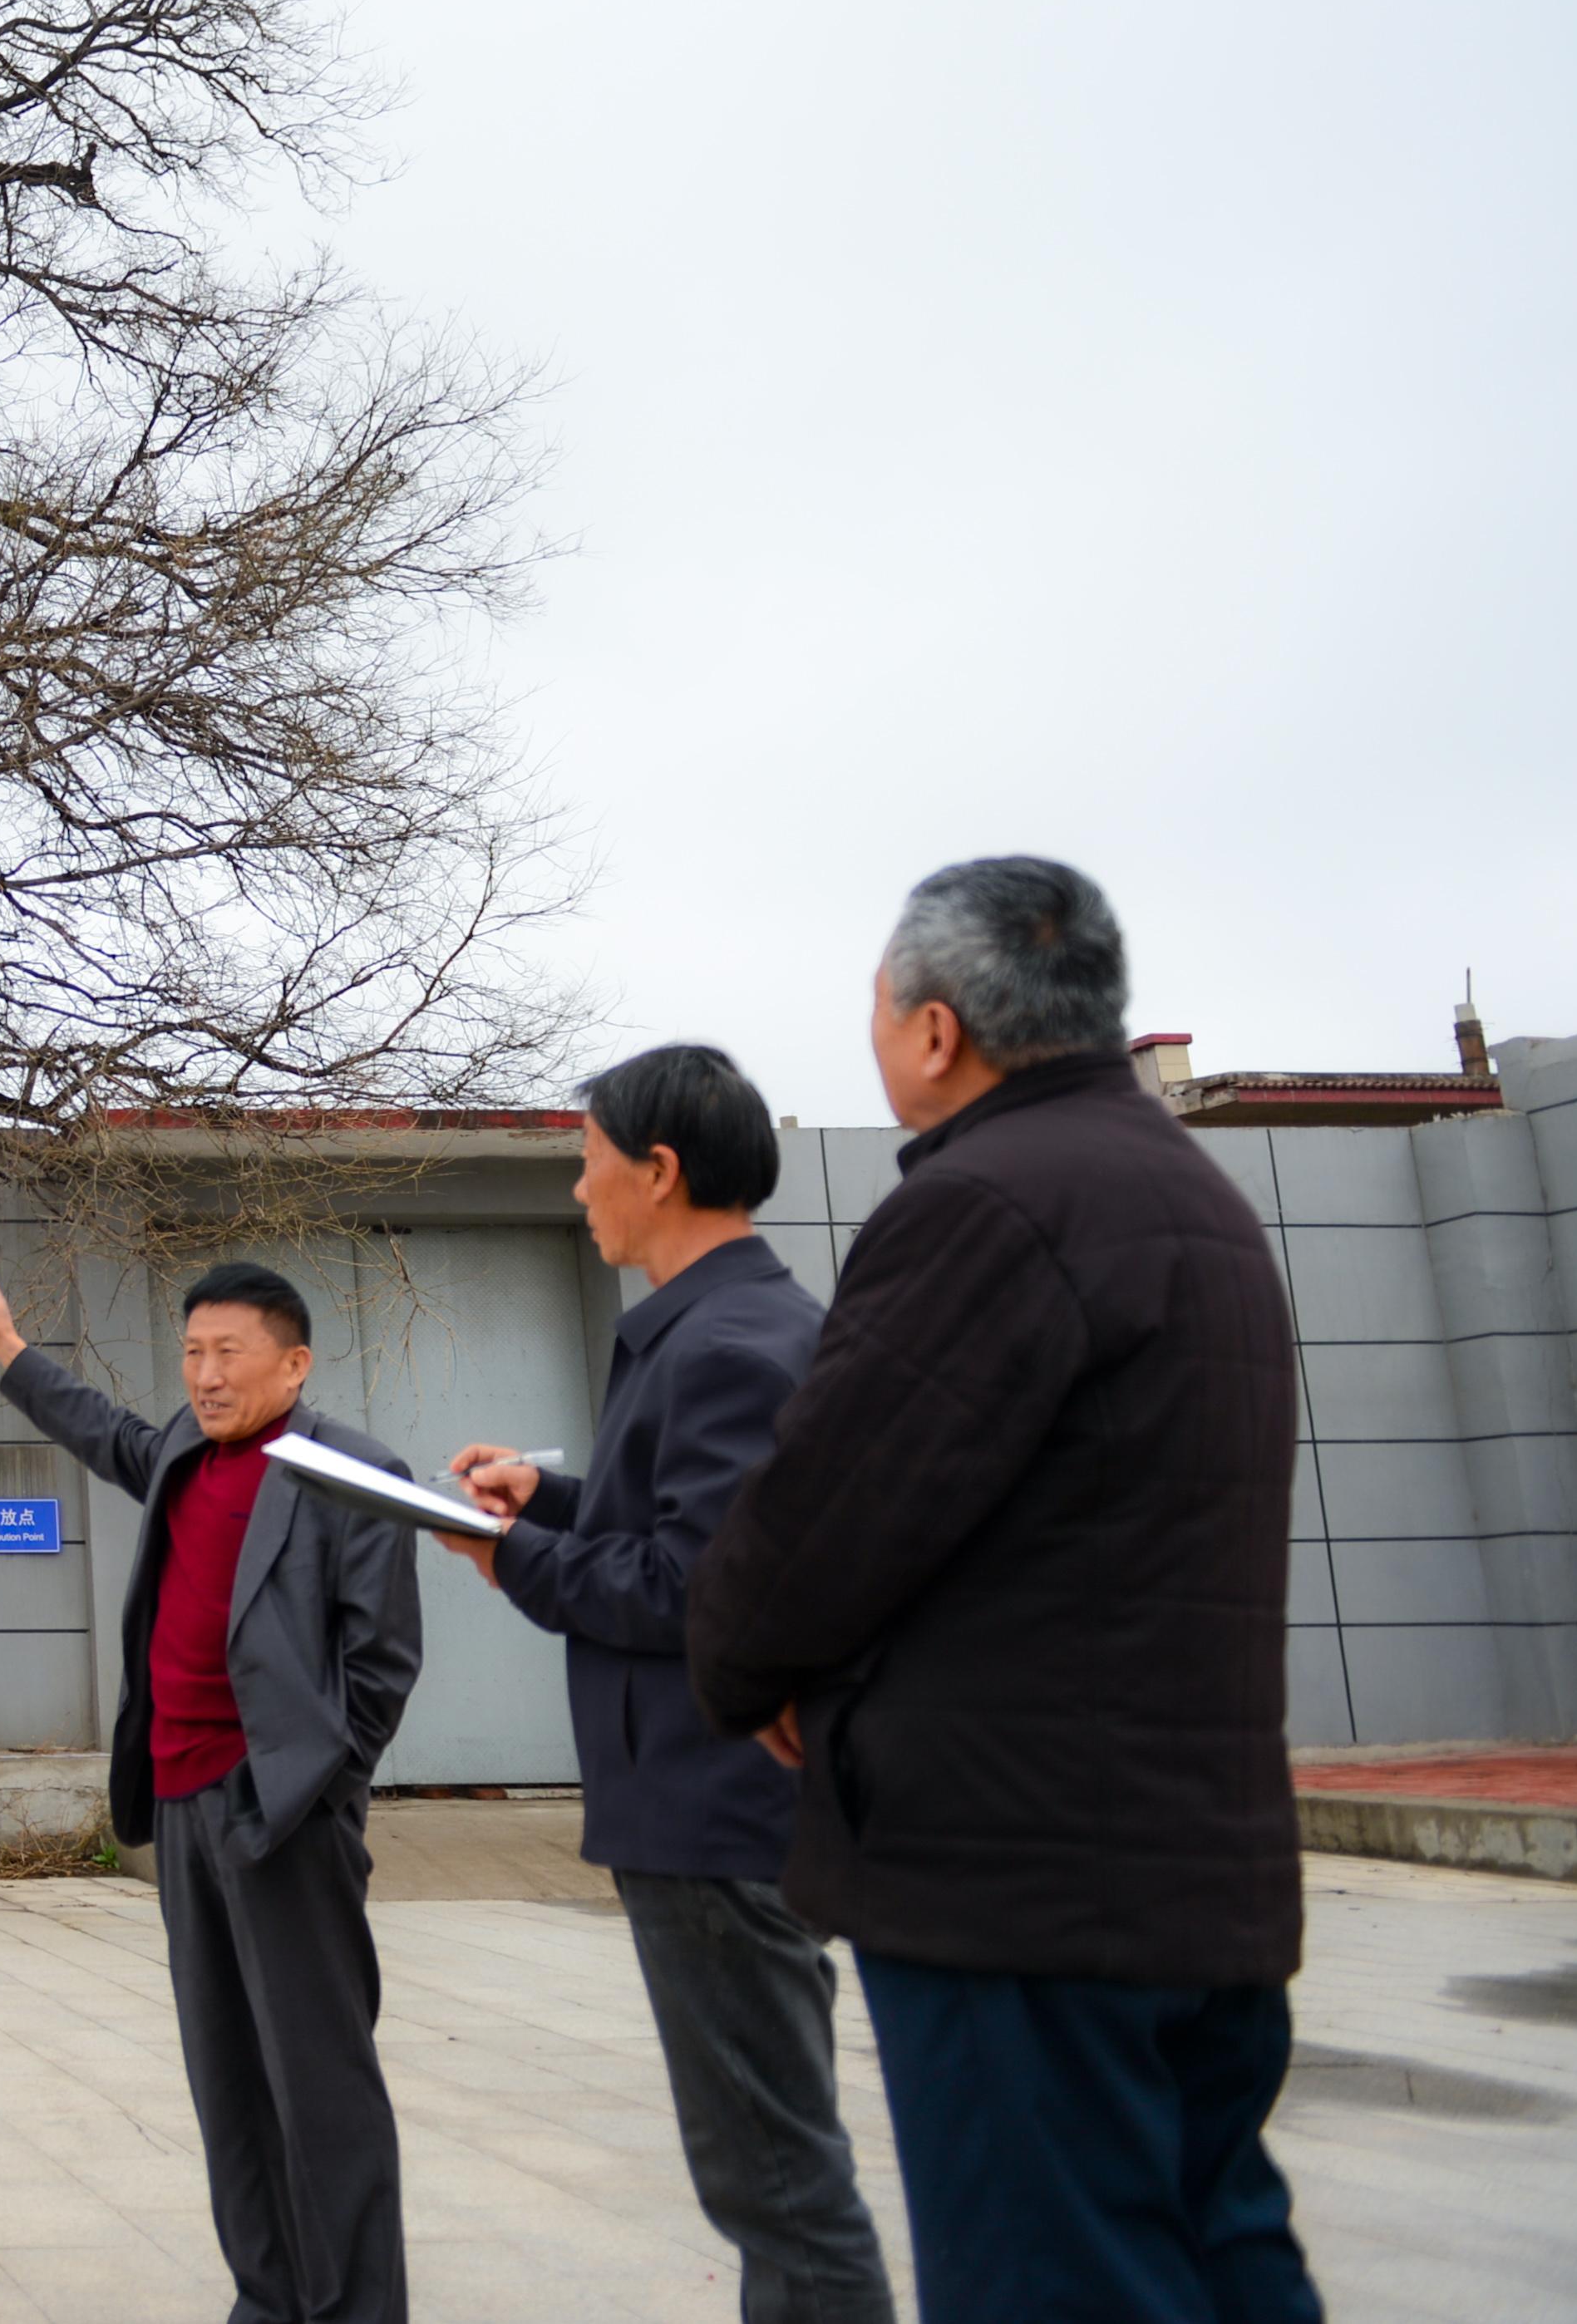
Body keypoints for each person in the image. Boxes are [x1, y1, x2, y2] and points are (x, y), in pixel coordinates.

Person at [687, 858, 1320, 2324]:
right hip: (1195, 1865)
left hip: (1017, 1886)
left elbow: (824, 1516)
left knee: (1051, 2280)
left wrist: (746, 1663)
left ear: (934, 1030)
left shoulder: (985, 1203)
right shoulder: (1194, 1199)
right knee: (1217, 2255)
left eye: (875, 1004)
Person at [431, 1043, 896, 2324]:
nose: (577, 1188)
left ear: (658, 1169)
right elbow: (694, 1524)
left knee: (775, 2185)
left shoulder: (726, 1341)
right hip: (712, 1807)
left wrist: (509, 1556)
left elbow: (697, 1584)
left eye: (588, 1160)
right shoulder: (729, 1325)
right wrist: (550, 1498)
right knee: (768, 2176)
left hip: (714, 1811)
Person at [0, 1254, 422, 2324]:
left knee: (320, 2080)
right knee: (226, 2075)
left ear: (294, 1364)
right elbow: (104, 1429)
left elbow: (383, 1665)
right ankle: (268, 2296)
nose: (206, 1375)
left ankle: (356, 2308)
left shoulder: (353, 1472)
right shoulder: (181, 1450)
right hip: (179, 1805)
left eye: (229, 1353)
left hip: (282, 1816)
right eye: (193, 1353)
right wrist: (10, 1350)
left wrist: (311, 1792)